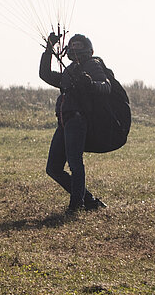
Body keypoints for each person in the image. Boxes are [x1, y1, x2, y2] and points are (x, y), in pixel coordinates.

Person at [40, 31, 113, 212]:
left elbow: (106, 86)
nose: (74, 49)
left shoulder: (93, 65)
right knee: (53, 168)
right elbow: (45, 74)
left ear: (87, 49)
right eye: (72, 46)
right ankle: (88, 200)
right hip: (64, 122)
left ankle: (77, 204)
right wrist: (49, 48)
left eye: (78, 46)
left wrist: (90, 84)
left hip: (78, 120)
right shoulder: (70, 70)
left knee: (75, 163)